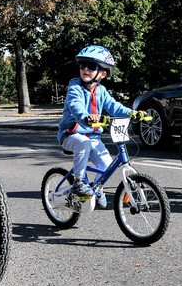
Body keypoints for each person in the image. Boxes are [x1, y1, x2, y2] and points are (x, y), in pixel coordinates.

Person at [57, 45, 138, 209]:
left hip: (93, 136)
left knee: (107, 165)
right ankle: (79, 182)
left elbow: (114, 107)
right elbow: (75, 105)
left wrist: (134, 113)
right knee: (83, 143)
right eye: (83, 65)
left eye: (91, 66)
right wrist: (86, 117)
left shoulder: (101, 91)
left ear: (102, 73)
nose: (85, 69)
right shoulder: (75, 87)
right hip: (70, 134)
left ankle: (97, 187)